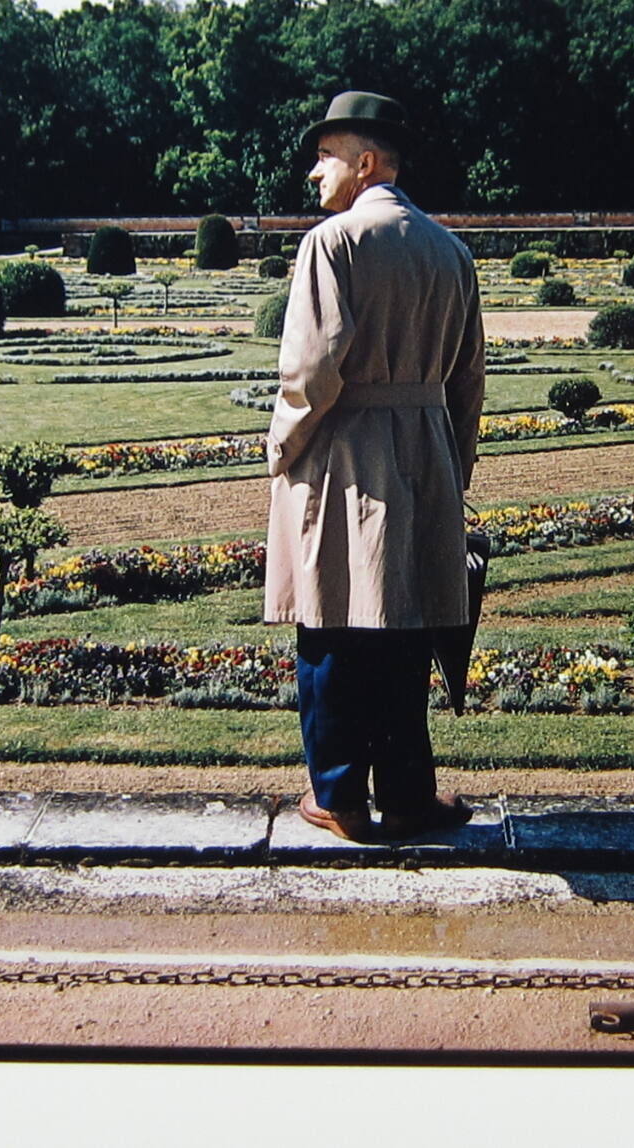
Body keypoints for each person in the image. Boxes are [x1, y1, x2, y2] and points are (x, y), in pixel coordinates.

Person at [264, 91, 485, 842]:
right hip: (426, 449)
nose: (314, 172)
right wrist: (453, 466)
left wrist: (280, 445)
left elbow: (311, 373)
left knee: (331, 622)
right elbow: (469, 382)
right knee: (403, 629)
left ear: (365, 163)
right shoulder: (451, 252)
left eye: (325, 156)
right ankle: (408, 795)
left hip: (345, 449)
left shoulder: (332, 243)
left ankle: (339, 798)